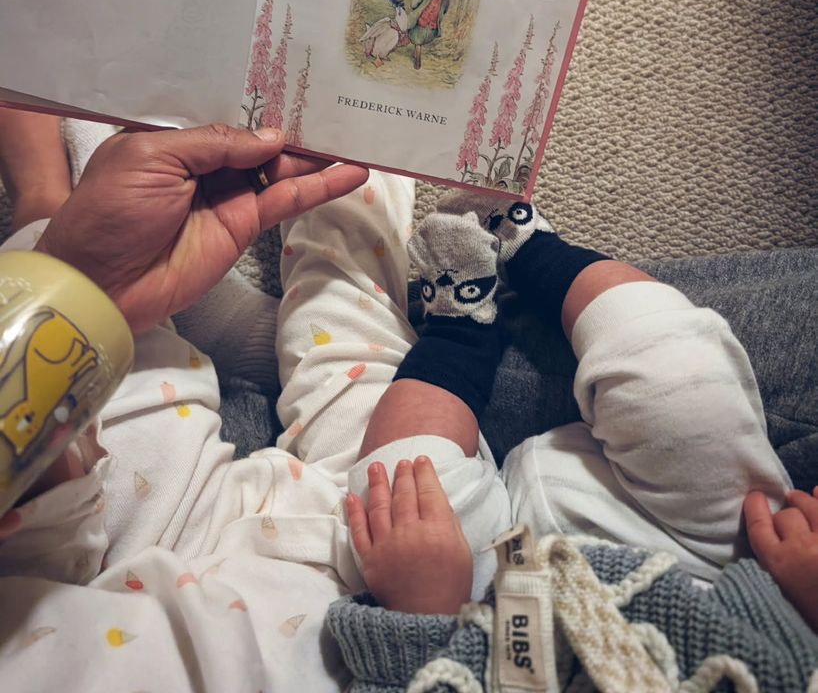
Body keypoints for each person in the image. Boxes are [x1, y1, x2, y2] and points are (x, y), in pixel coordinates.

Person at [0, 110, 815, 691]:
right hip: (709, 577)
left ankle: (46, 205)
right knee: (682, 381)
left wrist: (424, 623)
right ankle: (518, 247)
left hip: (397, 620)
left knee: (121, 410)